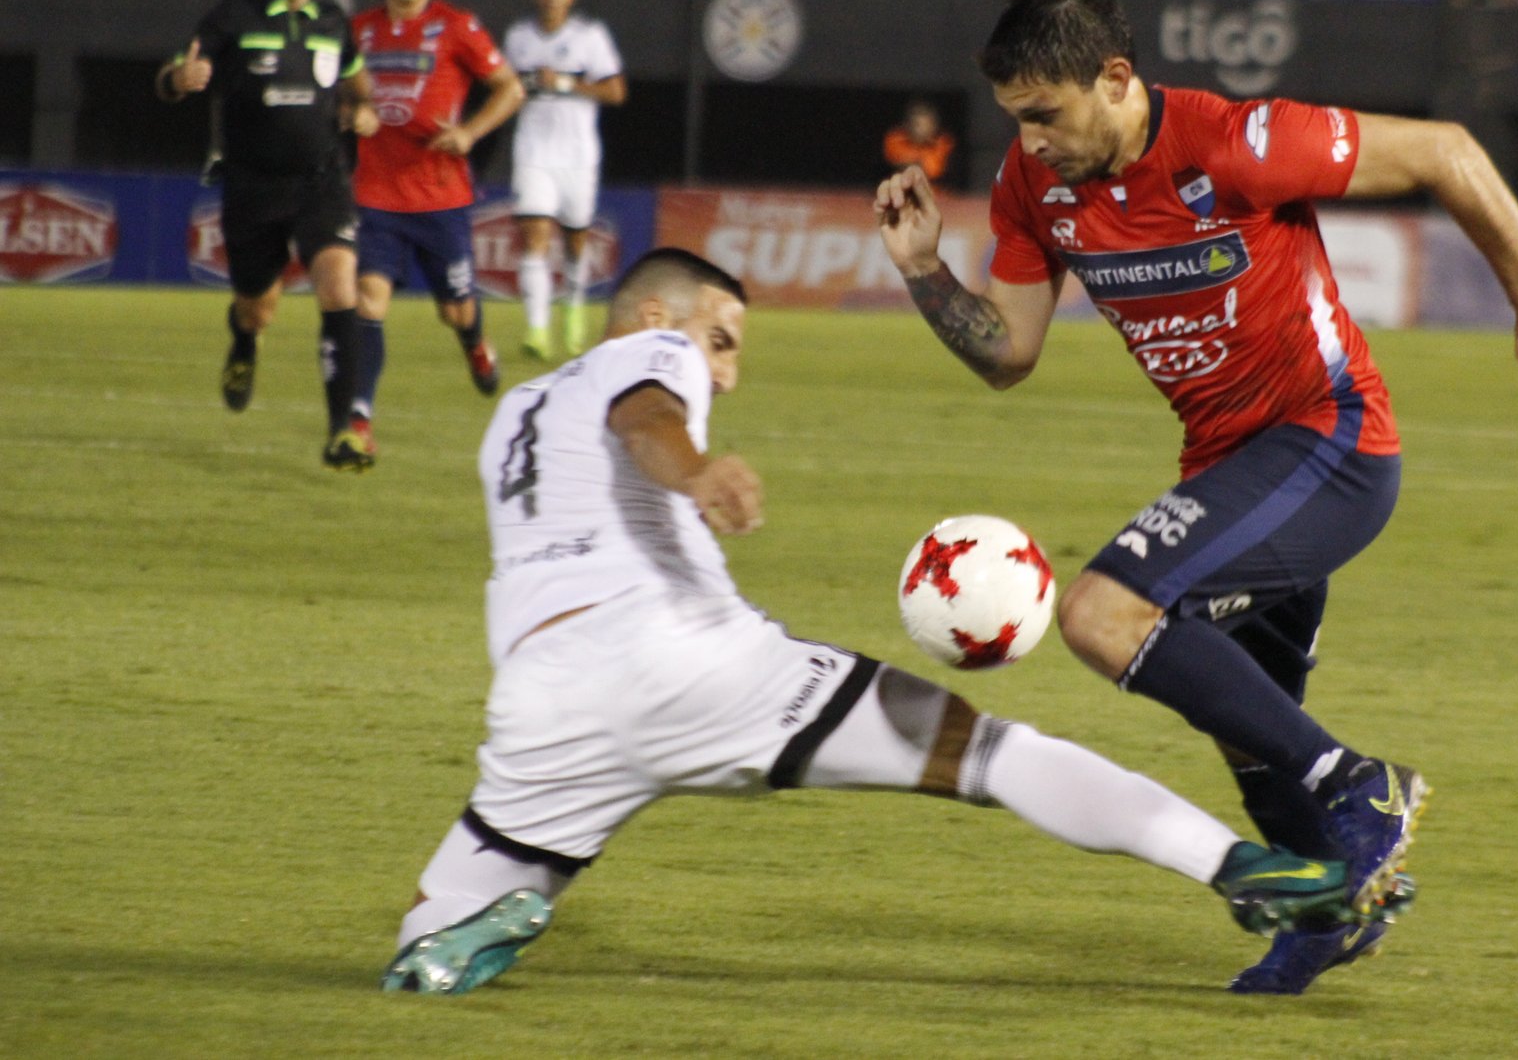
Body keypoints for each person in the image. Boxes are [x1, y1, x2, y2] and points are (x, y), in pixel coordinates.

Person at [381, 247, 1369, 996]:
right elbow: (643, 416)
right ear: (653, 315)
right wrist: (694, 470)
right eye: (719, 341)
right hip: (692, 665)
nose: (723, 372)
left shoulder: (513, 410)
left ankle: (471, 924)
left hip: (541, 708)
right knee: (992, 755)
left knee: (423, 941)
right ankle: (1240, 868)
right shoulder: (648, 353)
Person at [873, 0, 1518, 995]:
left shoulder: (1234, 143)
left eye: (1044, 115)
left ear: (1115, 78)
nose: (1028, 141)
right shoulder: (1034, 189)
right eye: (1015, 120)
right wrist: (923, 270)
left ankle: (1363, 789)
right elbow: (1008, 351)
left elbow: (1446, 152)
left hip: (1328, 443)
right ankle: (1329, 914)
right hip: (1227, 469)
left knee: (1101, 615)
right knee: (1248, 726)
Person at [155, 0, 379, 472]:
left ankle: (342, 432)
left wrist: (363, 109)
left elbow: (357, 83)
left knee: (338, 286)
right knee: (258, 309)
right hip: (253, 189)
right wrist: (180, 81)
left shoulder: (334, 23)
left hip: (322, 183)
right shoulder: (234, 17)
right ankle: (244, 342)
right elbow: (171, 74)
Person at [348, 0, 526, 456]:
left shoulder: (456, 26)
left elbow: (511, 89)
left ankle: (474, 343)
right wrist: (349, 113)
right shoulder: (357, 32)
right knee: (368, 301)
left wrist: (469, 133)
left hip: (440, 200)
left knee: (455, 310)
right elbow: (336, 94)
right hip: (376, 195)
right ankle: (359, 418)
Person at [501, 0, 626, 359]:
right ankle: (537, 328)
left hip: (578, 155)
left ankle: (573, 304)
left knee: (575, 240)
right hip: (533, 151)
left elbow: (616, 92)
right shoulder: (518, 38)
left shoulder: (589, 37)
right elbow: (505, 87)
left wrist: (567, 83)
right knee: (535, 235)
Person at [882, 99, 956, 184]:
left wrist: (914, 164)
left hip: (939, 193)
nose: (919, 130)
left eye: (924, 125)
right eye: (916, 124)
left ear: (934, 125)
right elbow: (894, 162)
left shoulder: (944, 143)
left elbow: (934, 171)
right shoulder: (895, 139)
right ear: (907, 124)